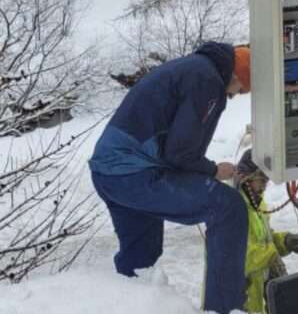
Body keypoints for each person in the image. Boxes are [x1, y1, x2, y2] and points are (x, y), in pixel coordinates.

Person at [88, 42, 252, 314]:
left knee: (140, 260)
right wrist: (213, 171)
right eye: (240, 91)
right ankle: (225, 310)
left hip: (110, 171)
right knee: (228, 207)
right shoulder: (208, 80)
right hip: (135, 172)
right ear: (237, 77)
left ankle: (128, 306)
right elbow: (180, 153)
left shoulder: (193, 67)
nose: (235, 95)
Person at [234, 149, 298, 314]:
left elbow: (264, 239)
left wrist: (284, 241)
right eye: (261, 179)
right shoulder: (233, 209)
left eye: (266, 179)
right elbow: (239, 256)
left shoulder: (258, 204)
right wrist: (272, 253)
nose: (265, 183)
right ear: (246, 178)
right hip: (238, 297)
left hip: (255, 291)